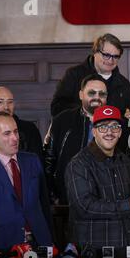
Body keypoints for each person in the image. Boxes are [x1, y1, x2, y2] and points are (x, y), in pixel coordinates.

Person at [65, 105, 130, 255]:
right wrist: (128, 205)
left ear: (120, 132)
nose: (109, 132)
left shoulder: (125, 161)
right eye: (103, 127)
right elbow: (85, 207)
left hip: (125, 247)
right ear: (94, 132)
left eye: (114, 127)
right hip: (93, 253)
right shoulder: (79, 164)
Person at [0, 112, 53, 258]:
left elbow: (44, 204)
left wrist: (50, 241)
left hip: (40, 245)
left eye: (16, 132)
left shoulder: (32, 161)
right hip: (3, 248)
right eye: (7, 134)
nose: (14, 138)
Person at [44, 74, 108, 204]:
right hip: (69, 200)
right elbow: (48, 161)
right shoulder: (61, 121)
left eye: (102, 94)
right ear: (81, 95)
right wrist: (52, 196)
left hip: (108, 201)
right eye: (91, 93)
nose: (97, 97)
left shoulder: (118, 123)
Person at [50, 33, 130, 119]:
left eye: (115, 57)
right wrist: (86, 113)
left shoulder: (124, 83)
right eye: (106, 55)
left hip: (111, 132)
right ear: (95, 52)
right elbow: (56, 108)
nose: (110, 61)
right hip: (80, 130)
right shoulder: (74, 74)